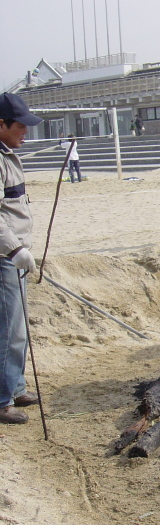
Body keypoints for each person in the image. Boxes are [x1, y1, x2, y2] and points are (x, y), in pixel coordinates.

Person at [0, 93, 43, 424]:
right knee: (8, 328)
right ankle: (1, 400)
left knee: (19, 327)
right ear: (1, 124)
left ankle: (15, 387)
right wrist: (15, 249)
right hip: (5, 256)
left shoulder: (9, 154)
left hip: (15, 254)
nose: (25, 133)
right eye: (20, 127)